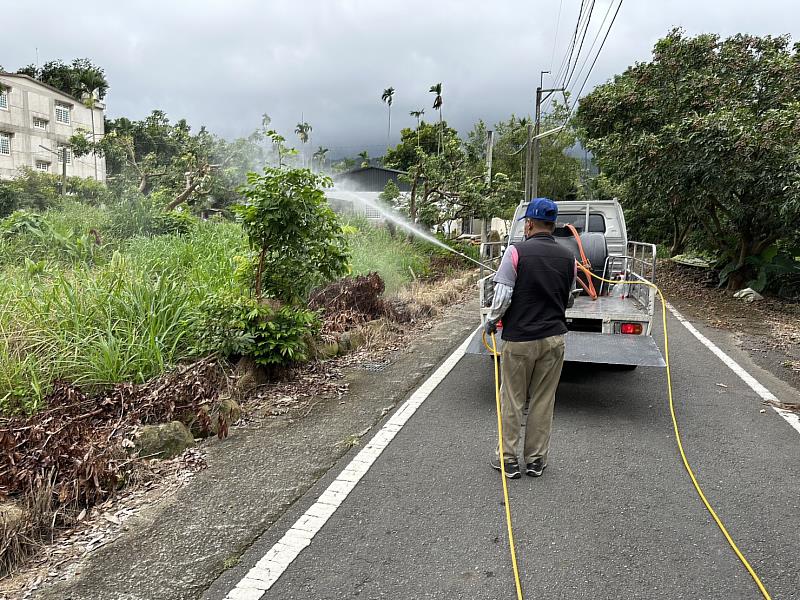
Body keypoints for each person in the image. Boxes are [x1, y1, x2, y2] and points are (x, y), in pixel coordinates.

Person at [484, 198, 576, 479]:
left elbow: (502, 297)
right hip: (554, 340)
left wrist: (491, 321)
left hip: (520, 339)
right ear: (553, 224)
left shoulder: (515, 252)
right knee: (543, 400)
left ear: (530, 223)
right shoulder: (568, 257)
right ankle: (536, 460)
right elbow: (569, 299)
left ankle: (508, 460)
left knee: (512, 399)